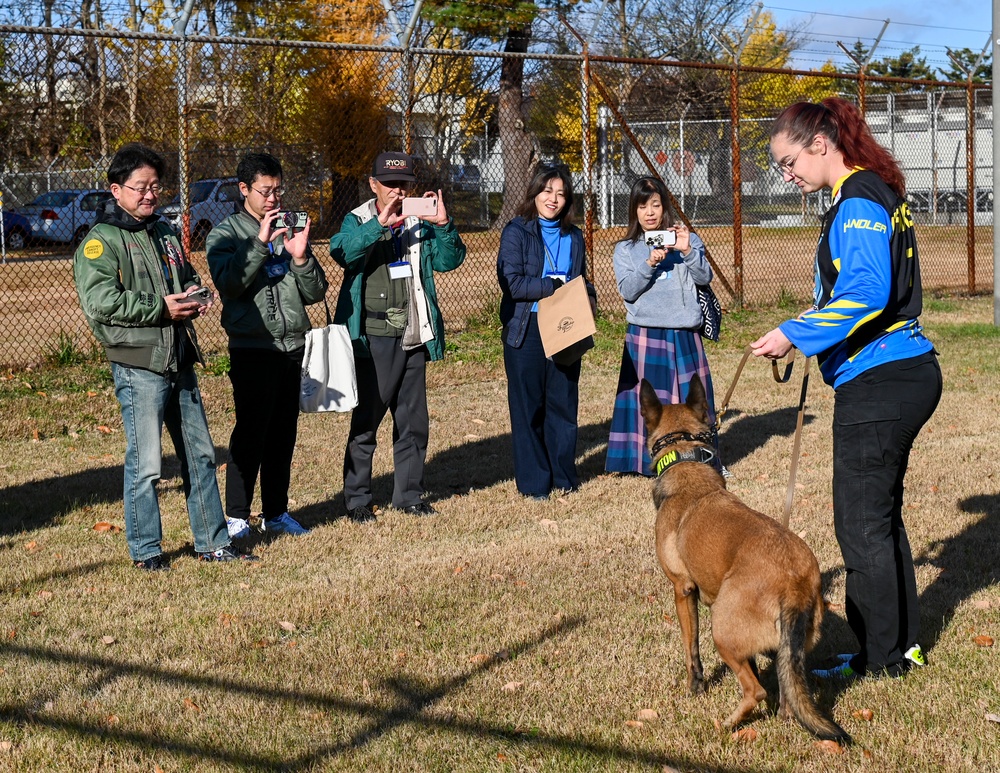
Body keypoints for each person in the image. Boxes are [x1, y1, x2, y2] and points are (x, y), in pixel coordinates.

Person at [751, 97, 941, 679]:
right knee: (880, 519)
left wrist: (795, 332)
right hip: (899, 371)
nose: (787, 176)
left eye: (789, 162)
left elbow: (865, 292)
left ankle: (881, 659)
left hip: (882, 379)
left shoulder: (858, 198)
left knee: (859, 525)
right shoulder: (870, 191)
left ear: (820, 143)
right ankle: (899, 646)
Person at [73, 143, 256, 570]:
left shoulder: (164, 232)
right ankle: (147, 552)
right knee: (147, 464)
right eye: (141, 187)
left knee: (201, 455)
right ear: (116, 190)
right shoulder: (101, 242)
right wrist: (162, 307)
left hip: (180, 358)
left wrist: (197, 294)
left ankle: (212, 543)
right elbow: (101, 303)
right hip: (139, 365)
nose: (151, 194)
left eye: (156, 186)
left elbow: (188, 276)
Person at [330, 151, 466, 521]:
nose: (397, 191)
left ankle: (409, 495)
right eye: (390, 184)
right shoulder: (357, 218)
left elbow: (449, 260)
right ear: (373, 184)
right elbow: (342, 252)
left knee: (413, 421)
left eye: (404, 184)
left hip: (414, 331)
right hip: (373, 337)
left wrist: (443, 224)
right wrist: (379, 224)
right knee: (367, 421)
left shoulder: (419, 219)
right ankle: (357, 499)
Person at [206, 152, 328, 539]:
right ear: (244, 190)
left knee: (282, 434)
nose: (274, 198)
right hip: (253, 347)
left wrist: (301, 257)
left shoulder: (290, 228)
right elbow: (229, 284)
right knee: (250, 433)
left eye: (278, 189)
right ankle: (237, 517)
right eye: (265, 191)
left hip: (292, 346)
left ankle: (276, 512)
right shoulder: (225, 234)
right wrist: (260, 243)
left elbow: (315, 292)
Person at [605, 176, 717, 476]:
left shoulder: (688, 240)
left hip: (683, 333)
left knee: (692, 398)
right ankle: (641, 462)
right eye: (643, 206)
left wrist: (687, 250)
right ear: (634, 211)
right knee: (648, 402)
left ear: (665, 207)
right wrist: (649, 263)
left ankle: (700, 454)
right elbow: (628, 291)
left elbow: (705, 278)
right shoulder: (626, 249)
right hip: (644, 333)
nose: (650, 212)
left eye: (655, 205)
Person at [497, 163, 596, 500]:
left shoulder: (574, 236)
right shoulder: (516, 231)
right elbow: (512, 284)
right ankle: (535, 484)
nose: (553, 199)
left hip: (566, 327)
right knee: (528, 408)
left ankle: (564, 477)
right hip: (527, 330)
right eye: (547, 191)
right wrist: (550, 285)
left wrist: (589, 301)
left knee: (563, 405)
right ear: (535, 193)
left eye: (560, 193)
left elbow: (582, 278)